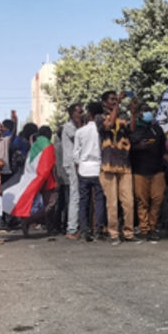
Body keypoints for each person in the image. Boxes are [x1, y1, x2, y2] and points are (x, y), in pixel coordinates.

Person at [97, 91, 141, 245]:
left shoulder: (122, 118)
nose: (115, 101)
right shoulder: (100, 118)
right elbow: (109, 126)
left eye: (116, 99)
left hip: (124, 165)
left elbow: (132, 129)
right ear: (104, 103)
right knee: (112, 203)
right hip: (108, 165)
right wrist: (118, 105)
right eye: (112, 100)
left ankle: (129, 232)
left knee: (128, 201)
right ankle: (113, 233)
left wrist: (133, 113)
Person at [129, 111, 167, 242]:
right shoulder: (134, 129)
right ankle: (144, 229)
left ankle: (153, 226)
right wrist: (139, 147)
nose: (147, 114)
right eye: (144, 111)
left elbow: (163, 148)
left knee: (158, 198)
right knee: (142, 201)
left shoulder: (157, 130)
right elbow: (129, 147)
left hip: (157, 170)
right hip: (139, 170)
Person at [74, 102, 106, 243]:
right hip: (99, 167)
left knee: (83, 201)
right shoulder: (102, 130)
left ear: (89, 114)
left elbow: (76, 154)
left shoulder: (80, 131)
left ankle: (85, 230)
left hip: (84, 169)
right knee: (99, 200)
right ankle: (98, 230)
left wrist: (79, 166)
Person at [60, 103, 83, 240]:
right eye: (79, 112)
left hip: (77, 163)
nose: (81, 115)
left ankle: (76, 225)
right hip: (72, 163)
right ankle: (72, 228)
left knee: (77, 194)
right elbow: (79, 140)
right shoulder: (69, 127)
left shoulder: (75, 127)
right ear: (72, 114)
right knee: (75, 194)